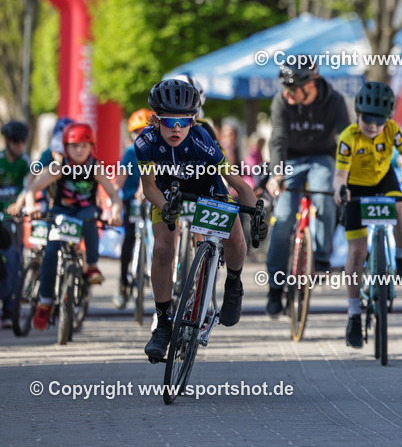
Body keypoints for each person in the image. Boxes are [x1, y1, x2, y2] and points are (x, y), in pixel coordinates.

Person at [137, 79, 264, 361]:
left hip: (208, 190)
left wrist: (254, 213)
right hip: (169, 193)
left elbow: (238, 185)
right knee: (162, 249)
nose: (177, 129)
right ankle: (163, 325)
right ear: (156, 119)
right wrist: (166, 207)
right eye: (169, 122)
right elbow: (148, 188)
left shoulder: (203, 141)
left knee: (235, 239)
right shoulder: (145, 142)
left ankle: (233, 283)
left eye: (184, 121)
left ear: (193, 120)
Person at [334, 81, 402, 348]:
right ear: (357, 114)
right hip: (355, 185)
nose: (373, 126)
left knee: (399, 209)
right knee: (357, 252)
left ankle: (401, 260)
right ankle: (353, 314)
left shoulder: (393, 131)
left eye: (380, 120)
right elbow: (339, 175)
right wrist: (341, 190)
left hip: (384, 179)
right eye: (368, 119)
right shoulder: (348, 137)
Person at [264, 55, 350, 317]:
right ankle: (275, 289)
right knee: (284, 218)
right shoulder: (281, 101)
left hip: (322, 157)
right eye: (284, 87)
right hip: (290, 158)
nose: (286, 93)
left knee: (325, 193)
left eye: (292, 88)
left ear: (310, 85)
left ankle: (322, 257)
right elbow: (277, 140)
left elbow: (346, 138)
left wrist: (344, 178)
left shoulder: (334, 101)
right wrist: (276, 174)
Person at [23, 123, 123, 331]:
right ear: (66, 148)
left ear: (91, 147)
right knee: (50, 253)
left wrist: (114, 213)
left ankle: (92, 265)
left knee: (90, 221)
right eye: (74, 146)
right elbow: (33, 188)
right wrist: (31, 206)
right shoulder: (58, 167)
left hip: (86, 212)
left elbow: (113, 195)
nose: (79, 150)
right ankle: (46, 302)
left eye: (84, 146)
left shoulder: (95, 167)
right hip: (62, 213)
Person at [113, 109, 153, 309]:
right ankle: (122, 282)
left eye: (145, 131)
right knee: (128, 239)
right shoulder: (130, 153)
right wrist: (113, 193)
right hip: (132, 202)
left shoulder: (157, 151)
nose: (141, 136)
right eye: (137, 132)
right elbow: (120, 177)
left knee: (158, 238)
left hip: (153, 201)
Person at [1, 120, 31, 328]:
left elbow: (29, 187)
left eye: (22, 141)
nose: (20, 145)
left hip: (15, 220)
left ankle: (9, 308)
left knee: (16, 261)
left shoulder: (25, 163)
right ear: (7, 141)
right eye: (16, 141)